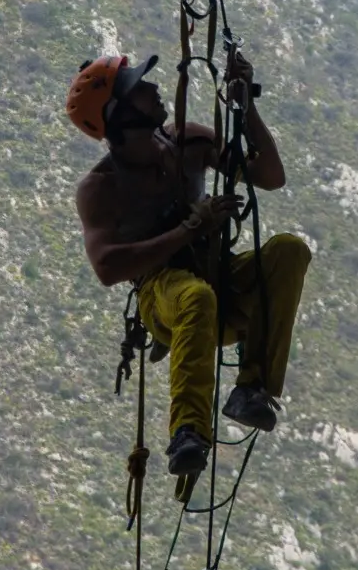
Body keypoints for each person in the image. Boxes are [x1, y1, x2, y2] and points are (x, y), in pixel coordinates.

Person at [68, 48, 311, 481]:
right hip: (164, 296)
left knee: (289, 251)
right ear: (120, 115)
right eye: (140, 89)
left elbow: (270, 175)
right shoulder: (101, 188)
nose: (154, 89)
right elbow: (106, 267)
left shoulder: (189, 142)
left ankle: (253, 387)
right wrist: (189, 231)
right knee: (194, 296)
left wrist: (247, 108)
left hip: (217, 278)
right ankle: (188, 431)